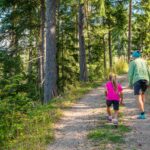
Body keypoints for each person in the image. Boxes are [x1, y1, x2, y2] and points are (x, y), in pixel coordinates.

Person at [128, 50, 150, 119]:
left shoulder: (133, 62)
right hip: (146, 80)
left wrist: (130, 84)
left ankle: (142, 114)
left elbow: (130, 74)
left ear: (133, 56)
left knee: (138, 98)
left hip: (137, 80)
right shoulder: (144, 62)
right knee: (142, 95)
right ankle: (142, 111)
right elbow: (148, 71)